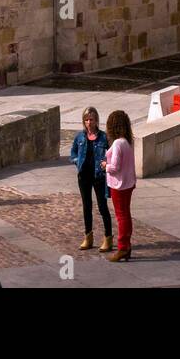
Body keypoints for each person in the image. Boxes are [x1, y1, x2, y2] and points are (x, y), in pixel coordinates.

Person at [68, 107, 112, 252]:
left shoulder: (103, 137)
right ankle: (88, 236)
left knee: (102, 206)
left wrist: (106, 162)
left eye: (91, 119)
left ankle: (108, 237)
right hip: (84, 175)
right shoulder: (80, 137)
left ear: (96, 120)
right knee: (86, 206)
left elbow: (111, 152)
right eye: (86, 120)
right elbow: (73, 151)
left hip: (98, 176)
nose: (89, 122)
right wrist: (76, 161)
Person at [102, 110, 136, 262]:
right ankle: (127, 245)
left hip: (119, 184)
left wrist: (105, 165)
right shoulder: (128, 142)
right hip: (128, 183)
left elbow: (114, 167)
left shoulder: (117, 143)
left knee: (121, 216)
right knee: (126, 214)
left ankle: (122, 247)